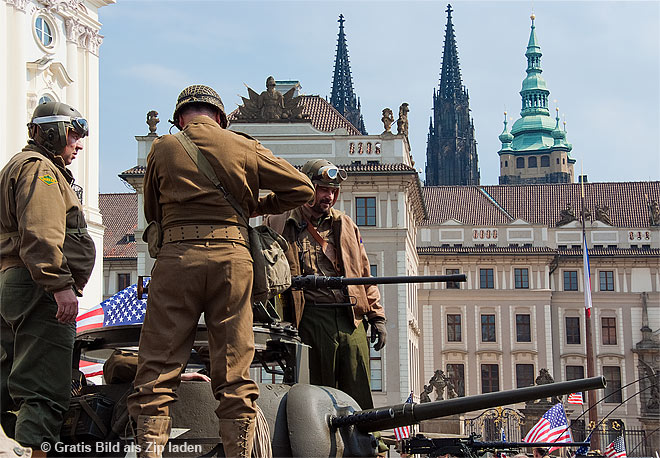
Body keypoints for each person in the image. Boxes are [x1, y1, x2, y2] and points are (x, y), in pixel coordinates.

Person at [126, 84, 314, 458]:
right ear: (220, 117)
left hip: (176, 260)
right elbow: (302, 188)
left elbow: (151, 211)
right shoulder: (243, 145)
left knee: (158, 371)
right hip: (232, 261)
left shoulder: (162, 149)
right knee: (234, 372)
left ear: (180, 117)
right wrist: (254, 207)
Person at [0, 101, 96, 456]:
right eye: (74, 133)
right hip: (37, 287)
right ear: (52, 131)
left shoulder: (19, 165)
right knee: (44, 385)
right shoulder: (41, 170)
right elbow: (41, 234)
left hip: (17, 282)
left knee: (11, 383)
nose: (79, 144)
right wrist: (60, 286)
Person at [264, 159, 387, 410]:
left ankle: (366, 446)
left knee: (358, 392)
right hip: (310, 317)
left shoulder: (345, 224)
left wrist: (377, 317)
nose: (329, 196)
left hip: (350, 317)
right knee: (317, 396)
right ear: (308, 188)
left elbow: (364, 273)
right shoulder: (282, 222)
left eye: (333, 191)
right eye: (323, 189)